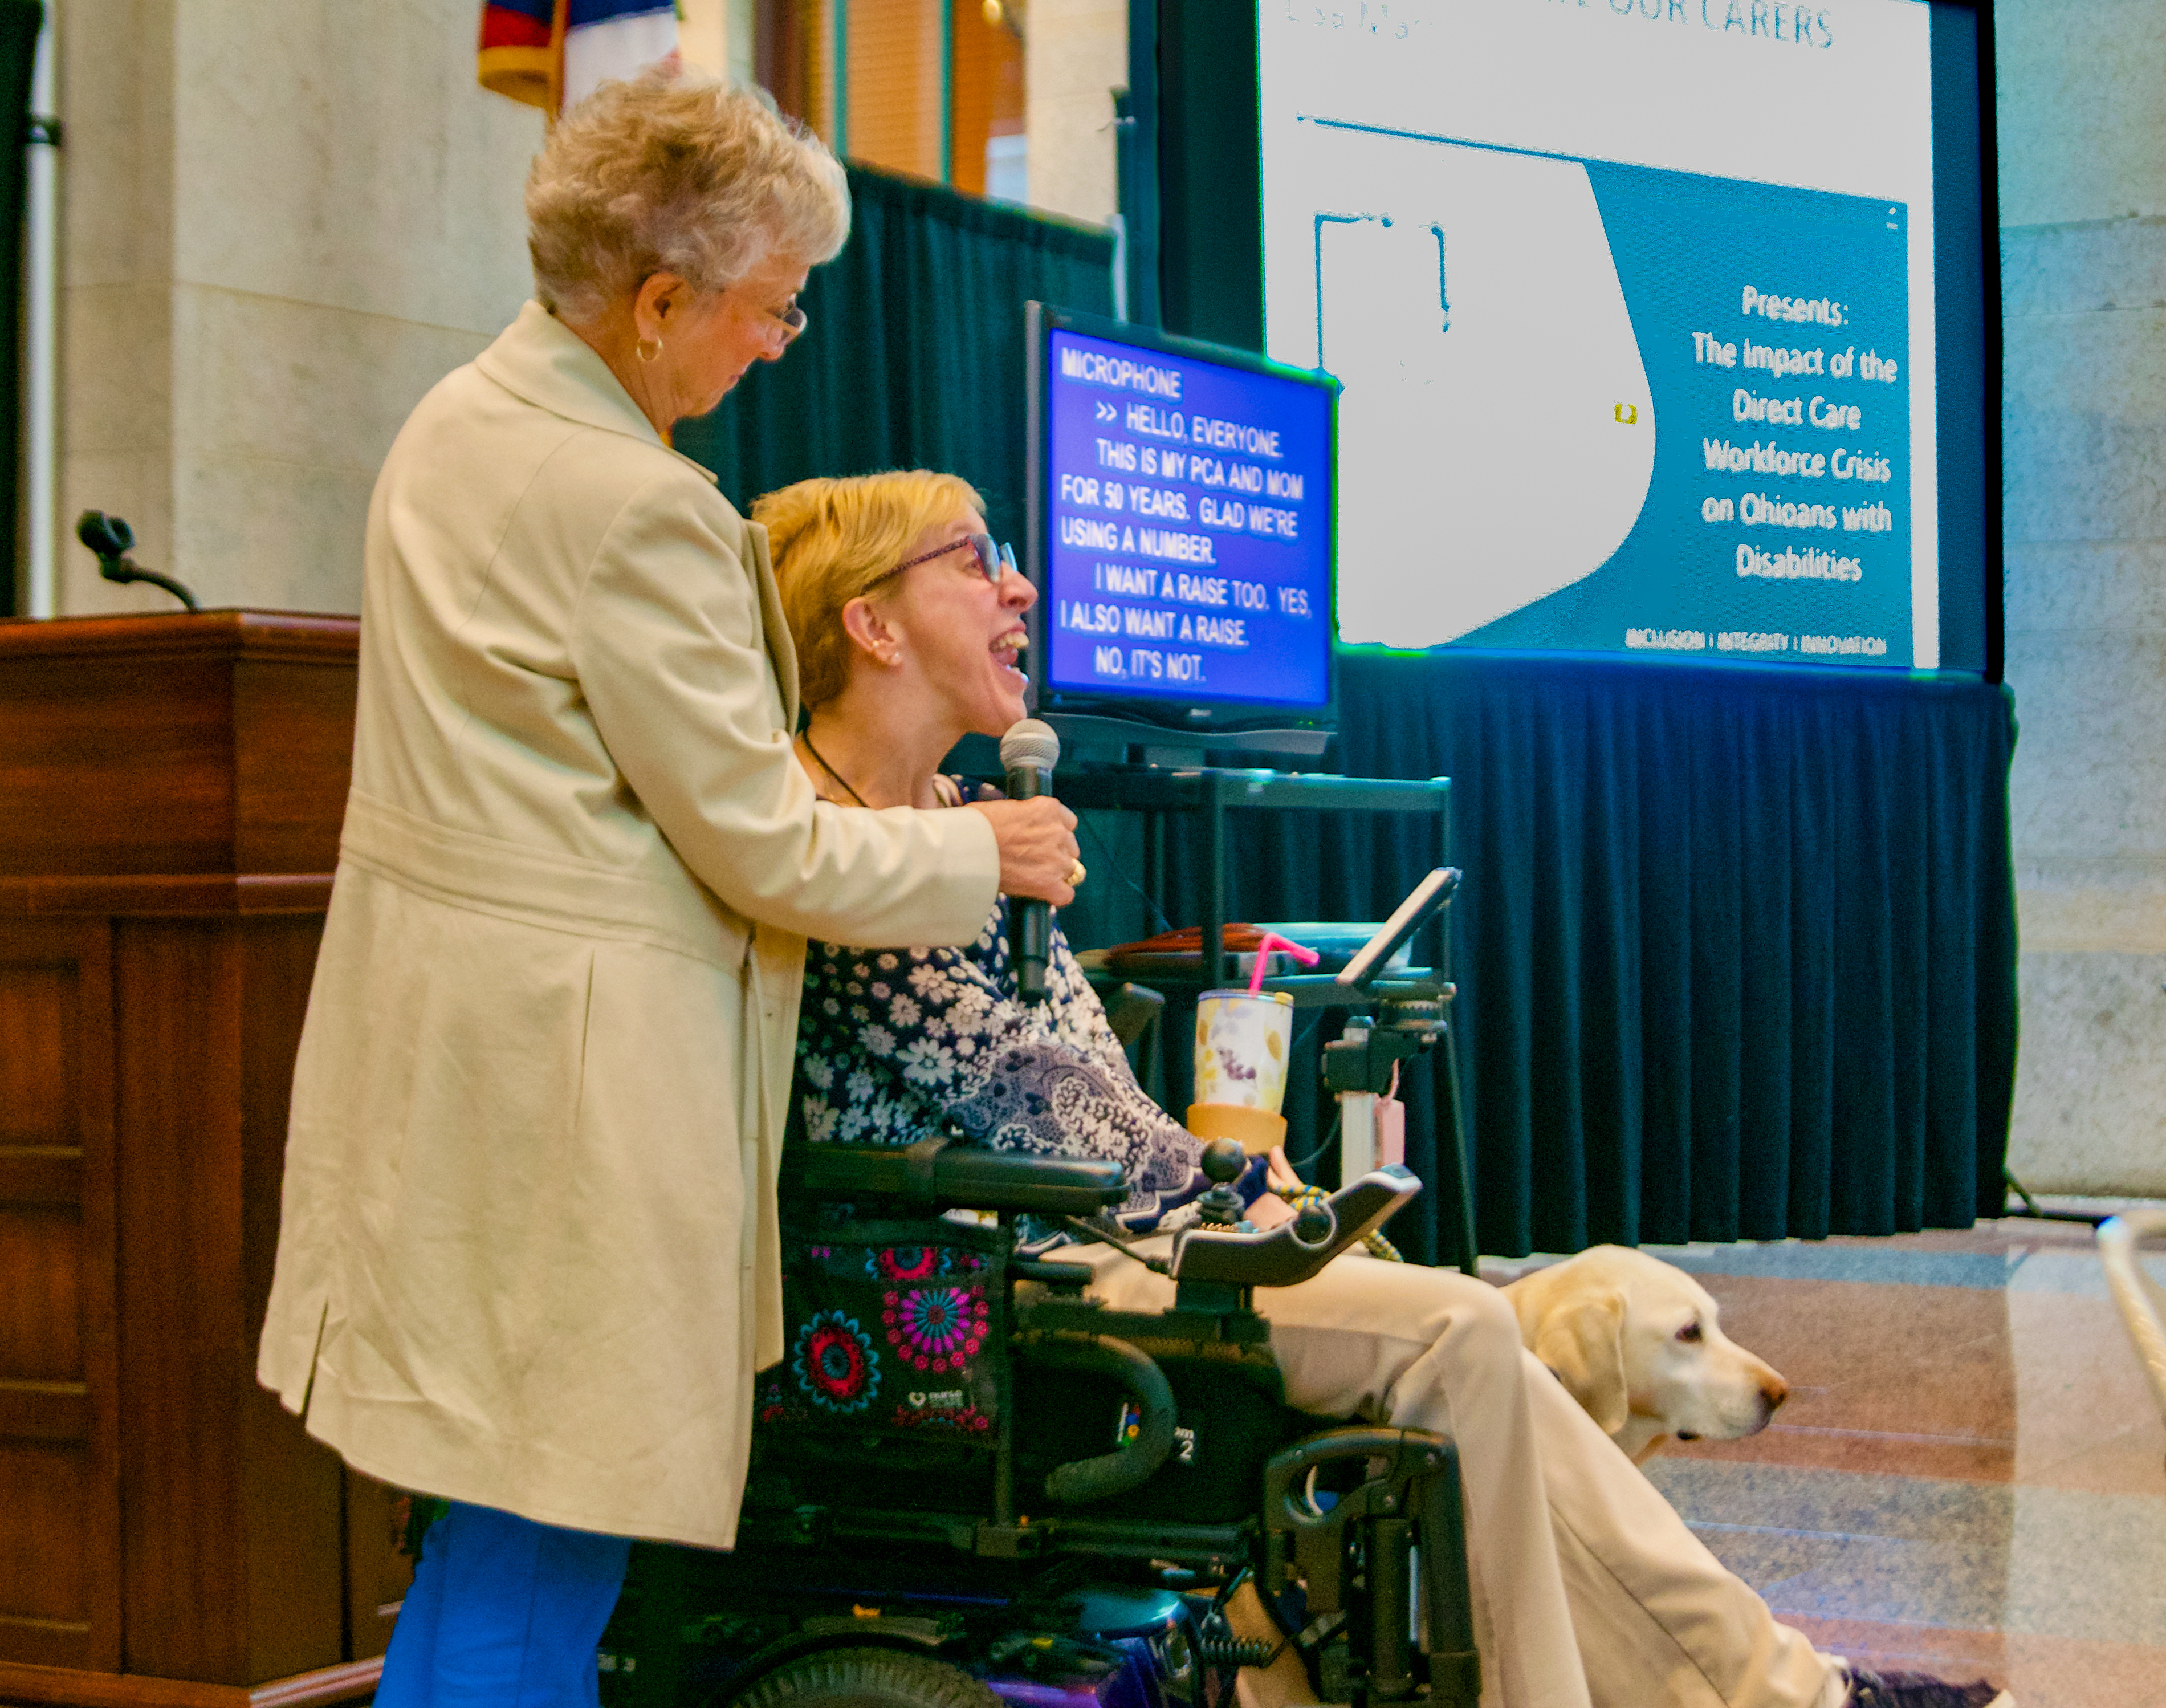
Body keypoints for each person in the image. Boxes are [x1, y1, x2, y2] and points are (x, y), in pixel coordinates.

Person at [757, 469, 2010, 1708]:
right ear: (871, 622)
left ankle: (1794, 1689)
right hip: (1004, 1279)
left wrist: (1241, 1181)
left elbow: (1088, 1088)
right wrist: (1225, 1195)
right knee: (1464, 1330)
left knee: (1471, 1328)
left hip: (1101, 1231)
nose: (1020, 584)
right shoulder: (828, 848)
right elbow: (1026, 1101)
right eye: (976, 559)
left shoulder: (979, 817)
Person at [254, 77, 1084, 1707]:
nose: (779, 345)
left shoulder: (455, 423)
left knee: (501, 1522)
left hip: (462, 1065)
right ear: (657, 304)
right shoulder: (641, 509)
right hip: (577, 1109)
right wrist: (977, 850)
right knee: (546, 1534)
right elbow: (765, 846)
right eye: (770, 311)